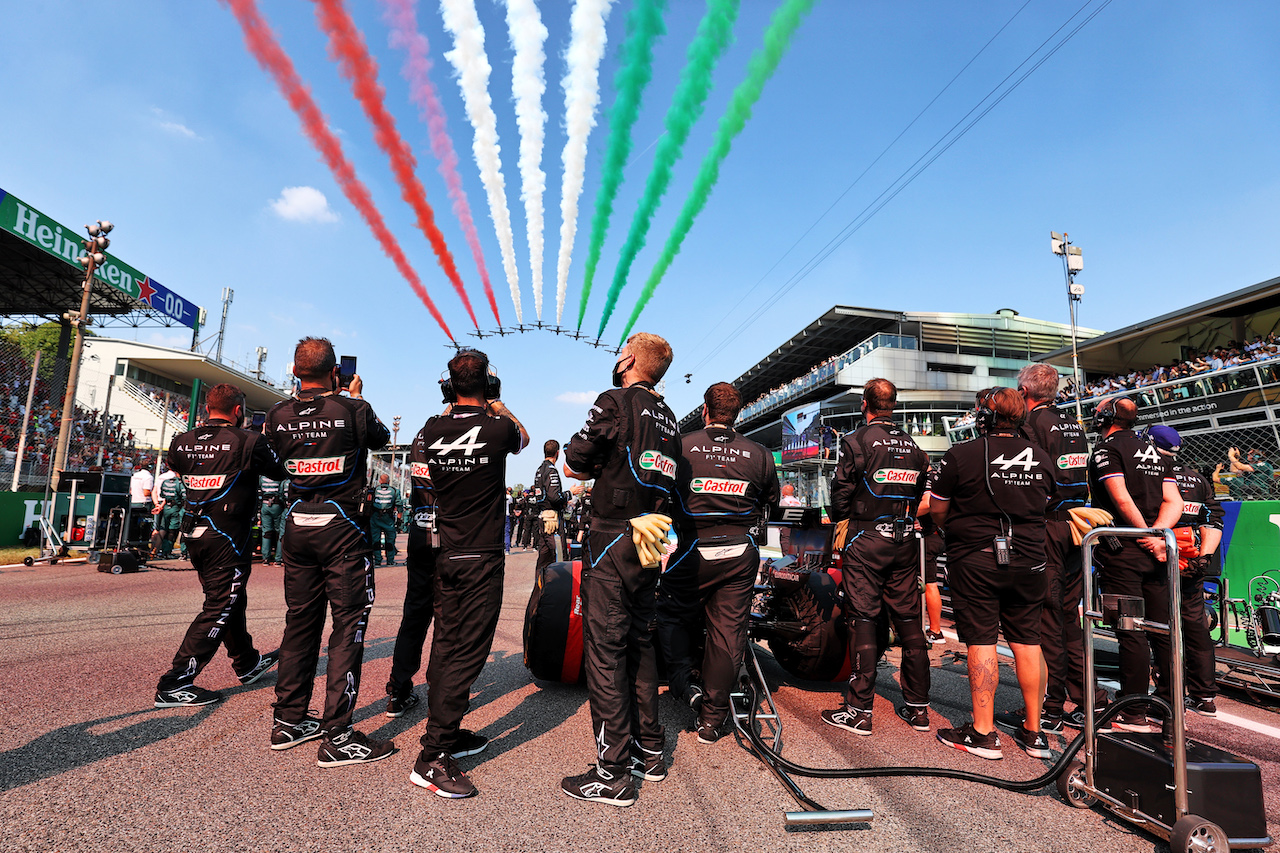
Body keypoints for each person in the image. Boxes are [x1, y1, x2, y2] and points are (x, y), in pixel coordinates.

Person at [561, 332, 681, 808]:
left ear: (628, 359)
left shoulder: (614, 399)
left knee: (606, 650)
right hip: (651, 540)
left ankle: (611, 773)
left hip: (612, 534)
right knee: (639, 642)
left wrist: (586, 464)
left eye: (619, 353)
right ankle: (649, 751)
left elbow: (575, 460)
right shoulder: (670, 416)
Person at [265, 337, 393, 765]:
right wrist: (352, 398)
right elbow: (380, 437)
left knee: (300, 623)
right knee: (348, 626)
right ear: (335, 371)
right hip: (341, 528)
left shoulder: (277, 414)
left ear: (295, 370)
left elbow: (275, 458)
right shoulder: (352, 408)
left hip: (297, 524)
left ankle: (288, 721)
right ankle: (338, 735)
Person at [408, 349, 528, 799]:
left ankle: (448, 730)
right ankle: (432, 756)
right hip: (480, 556)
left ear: (448, 388)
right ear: (490, 387)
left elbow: (446, 420)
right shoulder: (499, 428)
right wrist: (496, 403)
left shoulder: (431, 428)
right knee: (469, 652)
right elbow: (525, 438)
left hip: (446, 554)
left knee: (445, 643)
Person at [928, 388, 1054, 760]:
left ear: (984, 417)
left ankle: (983, 733)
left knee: (981, 640)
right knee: (1029, 642)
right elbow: (1050, 502)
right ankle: (1035, 733)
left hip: (977, 559)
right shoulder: (1043, 457)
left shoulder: (962, 454)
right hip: (1031, 559)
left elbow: (937, 509)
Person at [154, 383, 288, 708]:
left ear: (206, 410)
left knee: (230, 599)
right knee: (221, 604)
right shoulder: (248, 441)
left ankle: (246, 662)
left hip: (194, 533)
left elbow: (178, 469)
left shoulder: (180, 442)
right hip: (225, 538)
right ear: (239, 411)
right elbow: (281, 470)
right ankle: (174, 683)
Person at [658, 381, 779, 744]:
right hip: (740, 552)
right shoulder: (759, 453)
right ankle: (712, 721)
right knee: (729, 632)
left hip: (694, 547)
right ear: (737, 414)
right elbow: (771, 501)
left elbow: (658, 492)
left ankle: (684, 683)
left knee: (670, 614)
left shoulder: (680, 446)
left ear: (705, 409)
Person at [999, 362, 1109, 733]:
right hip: (1079, 526)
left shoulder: (1032, 426)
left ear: (1026, 393)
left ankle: (1051, 706)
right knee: (1067, 617)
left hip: (1047, 526)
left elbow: (1028, 479)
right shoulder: (1073, 425)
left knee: (1047, 618)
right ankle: (1086, 699)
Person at [821, 378, 931, 738]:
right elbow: (920, 497)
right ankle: (918, 708)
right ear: (893, 405)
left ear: (866, 405)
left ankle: (858, 711)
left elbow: (840, 497)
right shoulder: (915, 447)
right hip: (904, 541)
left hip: (866, 539)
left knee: (864, 618)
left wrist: (845, 516)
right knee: (909, 620)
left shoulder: (856, 441)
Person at [1087, 396, 1183, 732]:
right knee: (1163, 628)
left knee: (1130, 630)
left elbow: (1120, 496)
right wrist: (1159, 536)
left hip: (1124, 549)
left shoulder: (1105, 449)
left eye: (1098, 413)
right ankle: (1171, 706)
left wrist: (1143, 534)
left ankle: (1134, 711)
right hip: (1158, 548)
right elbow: (1175, 501)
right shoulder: (1153, 450)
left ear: (1107, 418)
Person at [1148, 425, 1221, 717]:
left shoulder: (1153, 475)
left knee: (1159, 628)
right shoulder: (1199, 478)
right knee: (1195, 626)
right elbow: (1214, 519)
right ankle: (1205, 697)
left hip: (1159, 559)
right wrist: (1203, 559)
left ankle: (1167, 696)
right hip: (1193, 560)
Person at [384, 426, 444, 721]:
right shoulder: (464, 433)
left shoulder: (423, 434)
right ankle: (442, 696)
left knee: (415, 615)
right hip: (450, 537)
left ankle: (398, 690)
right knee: (449, 619)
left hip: (420, 533)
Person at [531, 440, 569, 574]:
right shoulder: (551, 470)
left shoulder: (540, 469)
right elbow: (554, 497)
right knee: (560, 557)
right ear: (557, 453)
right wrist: (569, 494)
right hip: (552, 520)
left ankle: (540, 592)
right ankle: (561, 591)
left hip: (542, 517)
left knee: (544, 560)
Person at [369, 473, 403, 566]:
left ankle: (378, 561)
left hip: (375, 517)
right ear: (388, 481)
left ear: (380, 481)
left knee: (376, 540)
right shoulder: (395, 491)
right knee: (390, 540)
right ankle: (390, 561)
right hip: (388, 519)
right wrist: (399, 520)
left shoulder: (374, 490)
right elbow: (399, 505)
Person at [153, 462, 185, 559]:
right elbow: (184, 497)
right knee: (175, 530)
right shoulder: (180, 483)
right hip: (176, 508)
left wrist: (159, 506)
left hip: (166, 507)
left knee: (164, 529)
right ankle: (169, 552)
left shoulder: (165, 480)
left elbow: (162, 495)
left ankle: (161, 551)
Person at [258, 473, 287, 565]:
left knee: (266, 532)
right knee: (279, 532)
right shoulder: (279, 477)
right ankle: (278, 559)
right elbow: (282, 493)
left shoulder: (262, 478)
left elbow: (259, 492)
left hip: (264, 505)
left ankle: (265, 559)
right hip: (277, 505)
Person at [129, 456, 154, 544]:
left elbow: (130, 489)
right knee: (145, 527)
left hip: (133, 502)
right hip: (143, 503)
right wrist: (154, 493)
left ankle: (132, 542)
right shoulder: (148, 477)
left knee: (133, 525)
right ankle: (143, 543)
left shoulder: (135, 475)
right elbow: (146, 492)